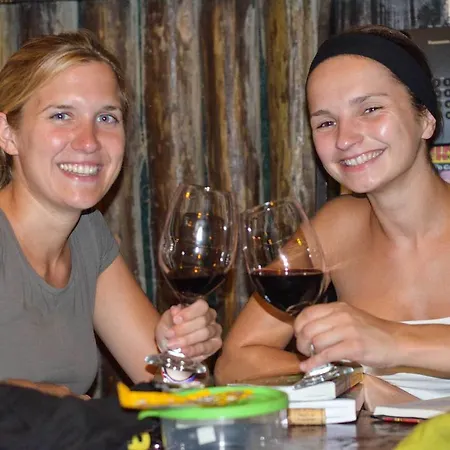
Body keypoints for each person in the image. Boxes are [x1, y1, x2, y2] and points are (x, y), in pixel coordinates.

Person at [215, 24, 450, 400]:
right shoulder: (336, 228)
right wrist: (351, 381)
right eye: (326, 122)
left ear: (425, 119)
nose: (344, 138)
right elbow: (235, 361)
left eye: (370, 109)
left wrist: (391, 341)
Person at [0, 30, 222, 398]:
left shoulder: (87, 233)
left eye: (106, 118)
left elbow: (179, 393)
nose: (88, 141)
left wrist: (182, 353)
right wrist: (45, 402)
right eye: (61, 115)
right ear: (8, 134)